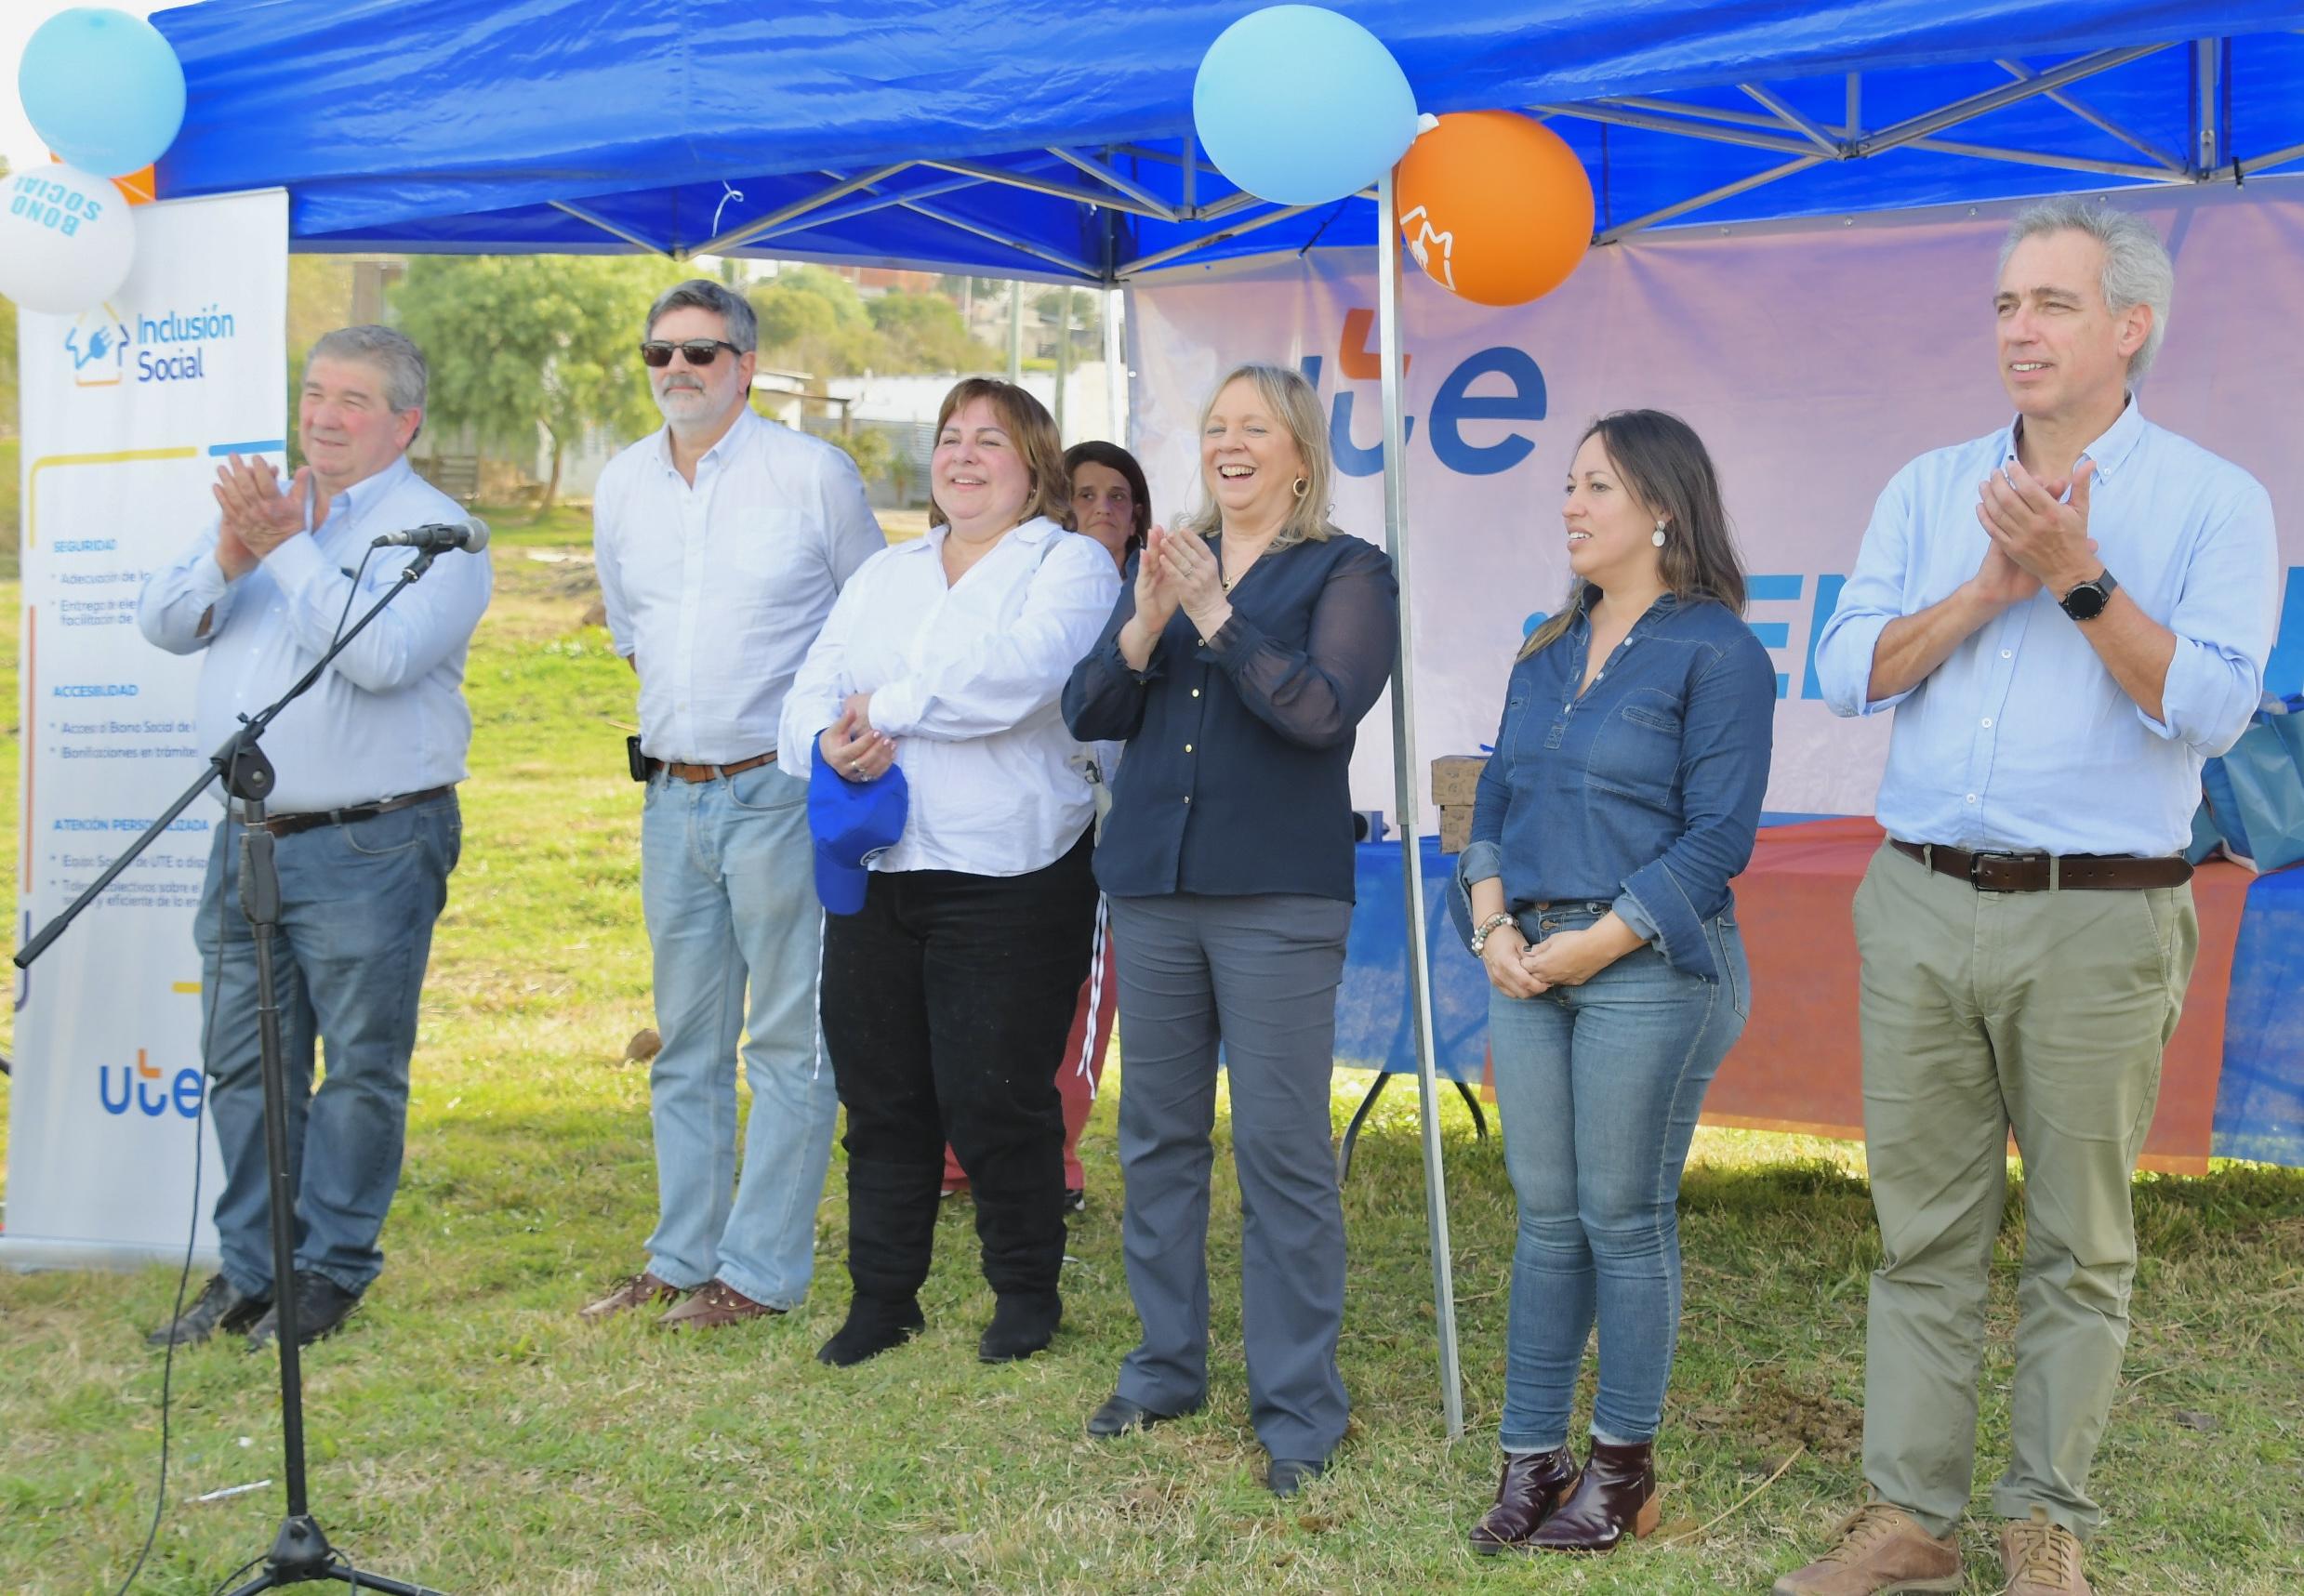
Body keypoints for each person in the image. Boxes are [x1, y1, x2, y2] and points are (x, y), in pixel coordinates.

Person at [1779, 199, 2278, 1596]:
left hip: (2100, 914)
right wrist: (1987, 590)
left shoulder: (2209, 498)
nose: (2017, 329)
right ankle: (1908, 1520)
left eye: (2051, 304)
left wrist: (2077, 580)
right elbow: (1841, 670)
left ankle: (2042, 1518)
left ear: (2131, 327)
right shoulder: (1929, 484)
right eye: (2004, 304)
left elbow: (2215, 707)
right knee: (1920, 1232)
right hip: (1922, 897)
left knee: (2077, 1236)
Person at [1063, 363, 1398, 1498]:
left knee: (1282, 1153)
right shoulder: (1163, 558)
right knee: (1155, 1136)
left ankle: (1299, 1407)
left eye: (1255, 427)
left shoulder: (1350, 569)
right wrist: (1151, 619)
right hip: (1153, 886)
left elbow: (1319, 713)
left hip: (1277, 900)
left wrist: (1216, 611)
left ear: (1301, 452)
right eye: (1215, 427)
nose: (1230, 442)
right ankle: (1163, 1366)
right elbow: (1088, 713)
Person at [1456, 411, 1776, 1554]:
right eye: (1569, 486)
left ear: (1662, 507)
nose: (1572, 506)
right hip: (1527, 960)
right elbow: (1493, 801)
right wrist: (1489, 922)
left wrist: (1602, 939)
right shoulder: (1547, 645)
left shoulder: (1719, 649)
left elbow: (1717, 839)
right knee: (1547, 1224)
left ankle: (1623, 1473)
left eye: (1596, 486)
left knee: (1620, 1221)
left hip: (1644, 967)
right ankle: (1529, 1457)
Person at [138, 325, 492, 1350]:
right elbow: (164, 624)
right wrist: (230, 552)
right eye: (315, 393)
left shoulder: (440, 533)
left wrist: (287, 550)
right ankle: (252, 1269)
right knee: (246, 1064)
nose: (324, 417)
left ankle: (330, 1268)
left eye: (354, 400)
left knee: (361, 1067)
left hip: (370, 845)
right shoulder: (269, 510)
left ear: (405, 422)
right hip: (247, 835)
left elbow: (378, 657)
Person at [781, 378, 1119, 1368]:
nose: (963, 457)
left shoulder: (1070, 568)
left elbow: (1014, 682)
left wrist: (876, 711)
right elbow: (810, 683)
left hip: (1010, 874)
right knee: (881, 1091)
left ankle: (1024, 1292)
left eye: (991, 442)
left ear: (1037, 470)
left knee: (997, 1092)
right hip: (882, 869)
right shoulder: (885, 575)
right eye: (950, 439)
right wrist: (827, 739)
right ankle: (883, 1298)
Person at [579, 279, 885, 1330]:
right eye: (658, 353)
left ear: (747, 366)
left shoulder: (813, 475)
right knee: (690, 1041)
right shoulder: (619, 484)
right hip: (671, 795)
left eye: (700, 353)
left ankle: (758, 1274)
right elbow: (631, 630)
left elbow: (870, 623)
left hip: (778, 793)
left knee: (785, 1045)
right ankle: (680, 1256)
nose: (677, 371)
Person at [939, 439, 1151, 1211]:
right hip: (1015, 828)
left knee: (1083, 1003)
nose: (1099, 509)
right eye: (1082, 494)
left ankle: (1054, 1163)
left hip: (1109, 832)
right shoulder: (1023, 586)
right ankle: (959, 1158)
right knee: (993, 997)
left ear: (1138, 517)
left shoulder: (1154, 596)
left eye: (1117, 497)